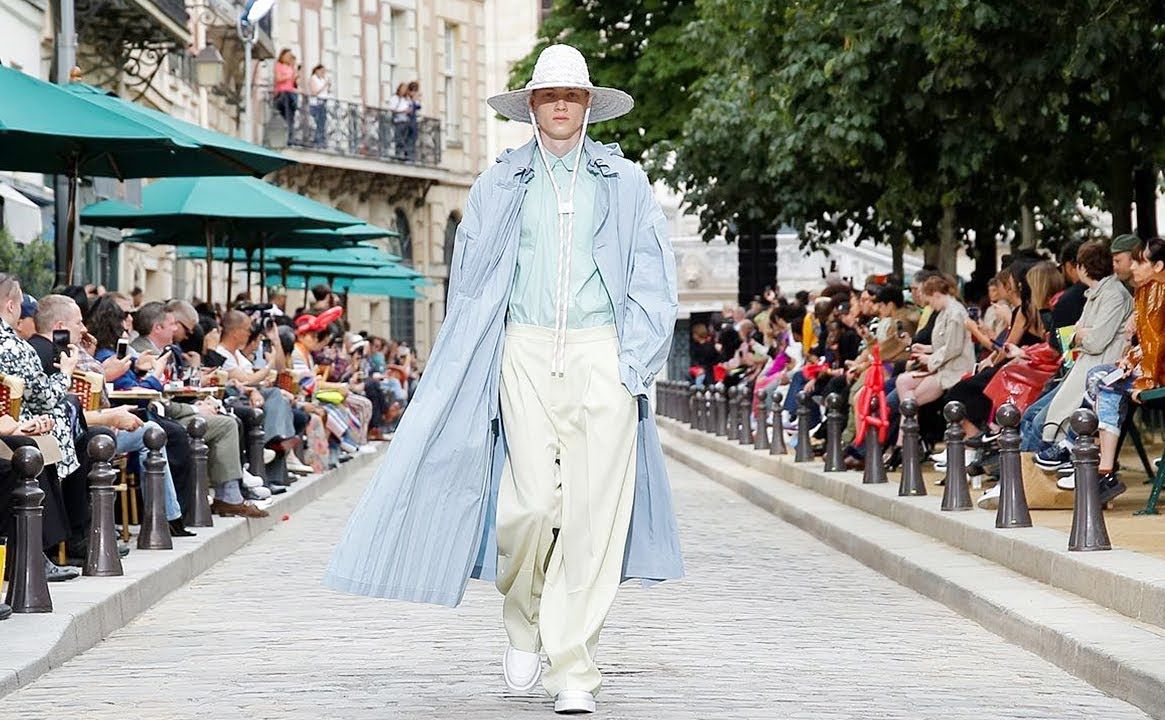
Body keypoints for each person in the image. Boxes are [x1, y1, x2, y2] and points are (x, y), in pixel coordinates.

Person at [325, 44, 682, 715]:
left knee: (592, 519)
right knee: (527, 511)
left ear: (586, 105)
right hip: (518, 350)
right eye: (548, 95)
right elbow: (471, 287)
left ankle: (573, 666)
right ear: (531, 107)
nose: (559, 105)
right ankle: (523, 621)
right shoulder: (496, 184)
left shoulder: (624, 181)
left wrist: (632, 363)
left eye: (570, 95)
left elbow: (653, 280)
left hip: (601, 352)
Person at [273, 48, 298, 144]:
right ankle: (284, 138)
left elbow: (295, 82)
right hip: (282, 93)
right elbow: (278, 78)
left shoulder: (290, 67)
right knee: (285, 116)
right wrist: (289, 76)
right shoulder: (279, 65)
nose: (289, 58)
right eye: (288, 56)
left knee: (291, 116)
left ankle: (290, 137)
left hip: (290, 93)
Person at [308, 64, 330, 148]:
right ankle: (317, 141)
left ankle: (322, 141)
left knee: (322, 123)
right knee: (317, 122)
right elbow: (314, 92)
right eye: (322, 71)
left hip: (323, 103)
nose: (323, 73)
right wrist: (324, 86)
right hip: (316, 104)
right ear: (317, 70)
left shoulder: (322, 79)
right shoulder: (313, 78)